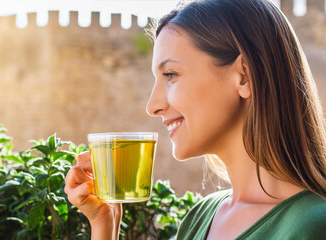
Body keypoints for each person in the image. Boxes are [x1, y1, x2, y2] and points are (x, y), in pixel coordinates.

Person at [64, 0, 326, 239]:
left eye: (170, 75)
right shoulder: (201, 217)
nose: (152, 106)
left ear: (243, 77)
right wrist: (104, 224)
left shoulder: (313, 225)